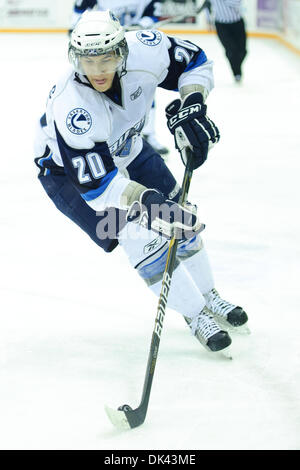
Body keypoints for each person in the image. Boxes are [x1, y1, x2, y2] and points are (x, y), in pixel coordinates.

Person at [34, 9, 248, 355]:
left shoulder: (146, 49)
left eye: (106, 58)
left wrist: (193, 101)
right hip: (69, 177)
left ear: (122, 51)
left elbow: (195, 61)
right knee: (139, 237)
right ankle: (196, 316)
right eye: (88, 61)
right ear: (75, 59)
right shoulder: (72, 107)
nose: (98, 70)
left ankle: (211, 297)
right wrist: (145, 200)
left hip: (128, 148)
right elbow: (99, 188)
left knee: (182, 218)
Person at [69, 0, 169, 156]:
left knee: (145, 88)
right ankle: (110, 137)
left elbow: (155, 12)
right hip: (105, 50)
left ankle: (149, 134)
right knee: (104, 92)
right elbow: (80, 10)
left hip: (135, 47)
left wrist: (143, 24)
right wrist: (77, 29)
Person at [205, 0, 247, 83]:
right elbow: (207, 5)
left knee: (243, 51)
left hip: (237, 23)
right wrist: (208, 21)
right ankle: (236, 73)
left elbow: (237, 4)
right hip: (221, 25)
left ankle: (236, 67)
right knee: (231, 50)